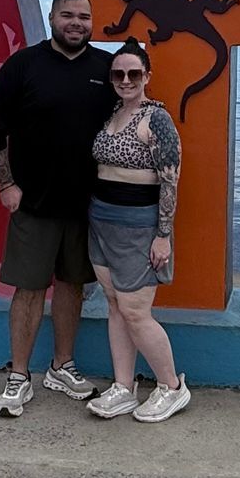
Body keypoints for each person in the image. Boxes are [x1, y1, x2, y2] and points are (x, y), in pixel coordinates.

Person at [0, 0, 116, 417]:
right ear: (52, 18)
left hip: (86, 205)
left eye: (84, 17)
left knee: (73, 285)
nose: (76, 23)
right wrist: (6, 184)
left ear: (93, 22)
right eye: (68, 15)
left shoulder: (106, 68)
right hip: (34, 202)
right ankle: (19, 375)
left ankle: (62, 366)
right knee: (29, 287)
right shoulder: (24, 64)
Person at [82, 38, 191, 423]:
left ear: (146, 76)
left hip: (139, 229)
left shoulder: (156, 119)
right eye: (118, 73)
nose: (126, 80)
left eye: (134, 73)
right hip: (101, 225)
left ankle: (171, 388)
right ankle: (124, 388)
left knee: (135, 310)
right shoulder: (112, 113)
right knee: (114, 304)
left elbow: (170, 181)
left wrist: (163, 234)